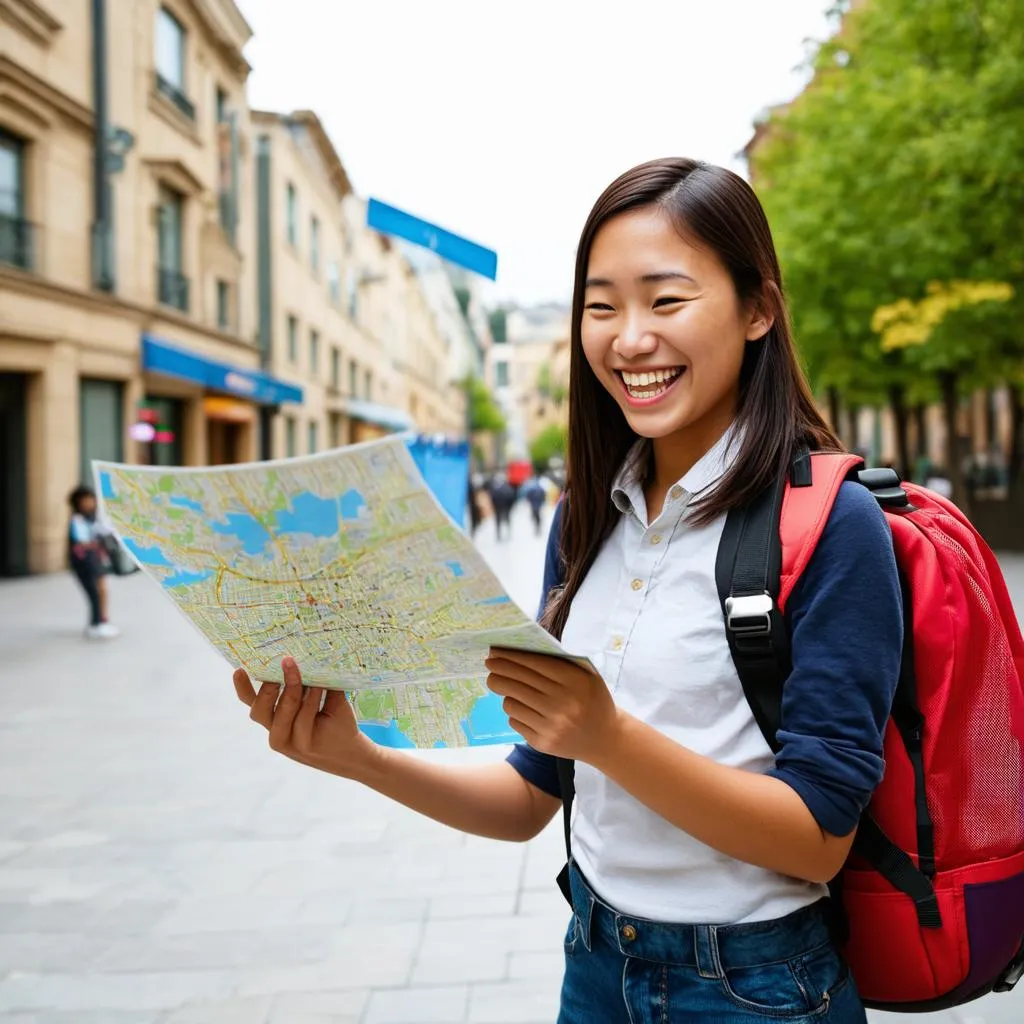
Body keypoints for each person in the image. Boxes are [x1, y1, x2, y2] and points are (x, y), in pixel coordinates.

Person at [231, 158, 902, 1022]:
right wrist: (357, 758)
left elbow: (820, 842)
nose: (628, 339)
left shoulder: (833, 525)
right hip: (596, 964)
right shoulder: (587, 519)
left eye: (666, 301)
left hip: (758, 987)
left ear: (758, 310)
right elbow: (530, 798)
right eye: (600, 305)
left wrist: (608, 736)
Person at [68, 484, 120, 639]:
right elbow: (81, 541)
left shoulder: (95, 518)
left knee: (103, 589)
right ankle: (95, 624)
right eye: (85, 500)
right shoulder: (77, 520)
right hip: (84, 562)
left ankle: (102, 620)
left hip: (96, 560)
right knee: (94, 593)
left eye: (91, 499)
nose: (89, 503)